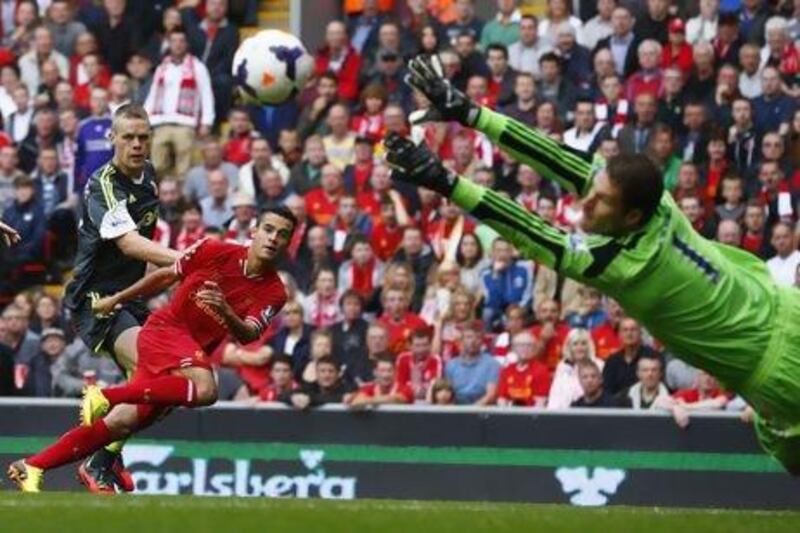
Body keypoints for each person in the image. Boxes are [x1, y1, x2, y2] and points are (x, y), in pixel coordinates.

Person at [389, 53, 800, 474]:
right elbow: (554, 156)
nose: (586, 201)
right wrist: (470, 112)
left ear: (631, 217)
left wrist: (447, 182)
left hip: (777, 369)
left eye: (600, 201)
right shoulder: (657, 200)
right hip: (788, 307)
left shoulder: (624, 266)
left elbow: (532, 232)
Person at [8, 206, 295, 492]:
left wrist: (226, 311)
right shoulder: (214, 250)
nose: (273, 238)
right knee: (206, 389)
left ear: (288, 242)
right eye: (268, 230)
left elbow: (248, 334)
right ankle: (104, 395)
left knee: (121, 423)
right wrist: (117, 298)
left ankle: (32, 466)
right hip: (166, 330)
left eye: (282, 234)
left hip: (188, 351)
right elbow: (166, 276)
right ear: (255, 231)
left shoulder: (274, 293)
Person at [59, 104, 183, 492]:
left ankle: (106, 457)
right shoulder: (103, 184)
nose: (136, 144)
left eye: (143, 137)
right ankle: (97, 462)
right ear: (112, 138)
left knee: (170, 389)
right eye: (128, 136)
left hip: (128, 299)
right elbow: (129, 244)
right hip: (95, 299)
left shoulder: (149, 176)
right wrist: (185, 259)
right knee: (157, 373)